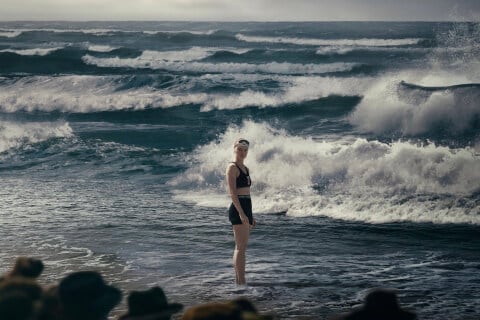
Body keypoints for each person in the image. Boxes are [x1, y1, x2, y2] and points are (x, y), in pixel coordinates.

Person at [226, 138, 256, 285]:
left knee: (242, 247)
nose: (243, 153)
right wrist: (242, 213)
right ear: (235, 149)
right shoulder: (232, 168)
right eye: (240, 149)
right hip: (238, 208)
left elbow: (247, 194)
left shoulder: (246, 168)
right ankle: (241, 283)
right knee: (240, 247)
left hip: (246, 206)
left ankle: (239, 281)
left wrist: (250, 215)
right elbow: (232, 193)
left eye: (245, 150)